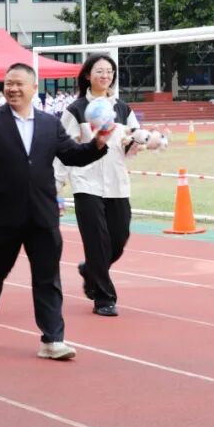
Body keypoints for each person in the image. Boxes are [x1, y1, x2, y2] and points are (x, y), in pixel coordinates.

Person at [0, 63, 109, 359]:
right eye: (9, 83)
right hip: (2, 216)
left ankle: (52, 339)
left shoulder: (49, 124)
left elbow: (72, 155)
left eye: (19, 84)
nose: (13, 89)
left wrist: (97, 144)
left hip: (42, 215)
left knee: (47, 277)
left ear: (34, 88)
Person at [55, 55, 139, 318]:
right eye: (100, 71)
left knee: (119, 238)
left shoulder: (122, 109)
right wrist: (55, 186)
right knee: (96, 242)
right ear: (87, 75)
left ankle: (90, 270)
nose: (105, 76)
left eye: (109, 71)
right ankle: (104, 298)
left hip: (117, 183)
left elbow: (132, 144)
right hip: (86, 182)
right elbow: (63, 149)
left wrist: (139, 142)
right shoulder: (76, 110)